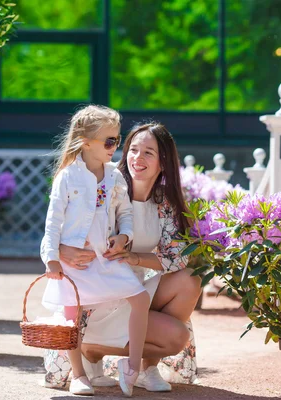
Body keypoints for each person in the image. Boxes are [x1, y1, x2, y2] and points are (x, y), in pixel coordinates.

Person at [42, 122, 202, 393]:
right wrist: (62, 251)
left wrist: (133, 258)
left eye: (149, 153)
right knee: (173, 332)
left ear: (164, 162)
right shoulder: (106, 182)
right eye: (133, 150)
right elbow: (64, 224)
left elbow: (177, 257)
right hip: (98, 291)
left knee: (190, 284)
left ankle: (146, 368)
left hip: (133, 285)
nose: (138, 158)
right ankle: (89, 350)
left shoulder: (164, 201)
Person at [39, 105, 151, 396]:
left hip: (107, 257)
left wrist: (124, 236)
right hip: (76, 262)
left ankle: (133, 366)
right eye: (109, 141)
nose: (115, 146)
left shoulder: (114, 175)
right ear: (86, 141)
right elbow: (53, 221)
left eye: (116, 139)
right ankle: (79, 375)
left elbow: (125, 213)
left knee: (139, 299)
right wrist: (52, 258)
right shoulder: (67, 177)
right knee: (72, 316)